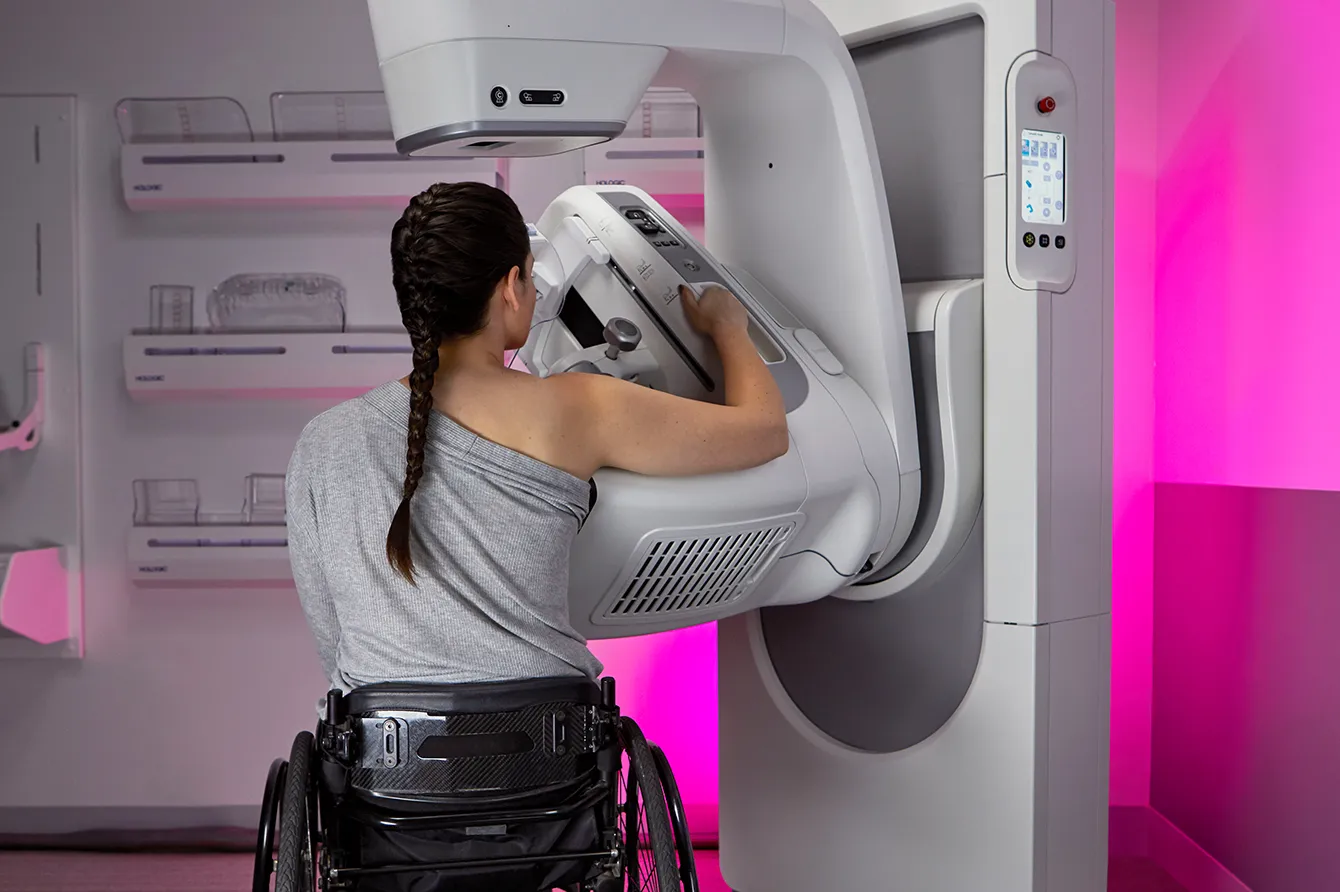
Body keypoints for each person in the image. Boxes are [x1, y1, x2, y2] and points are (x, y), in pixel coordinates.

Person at [285, 181, 788, 696]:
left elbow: (334, 645)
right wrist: (729, 328)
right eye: (530, 275)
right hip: (550, 758)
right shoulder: (580, 407)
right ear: (509, 285)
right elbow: (766, 431)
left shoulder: (322, 442)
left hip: (387, 766)